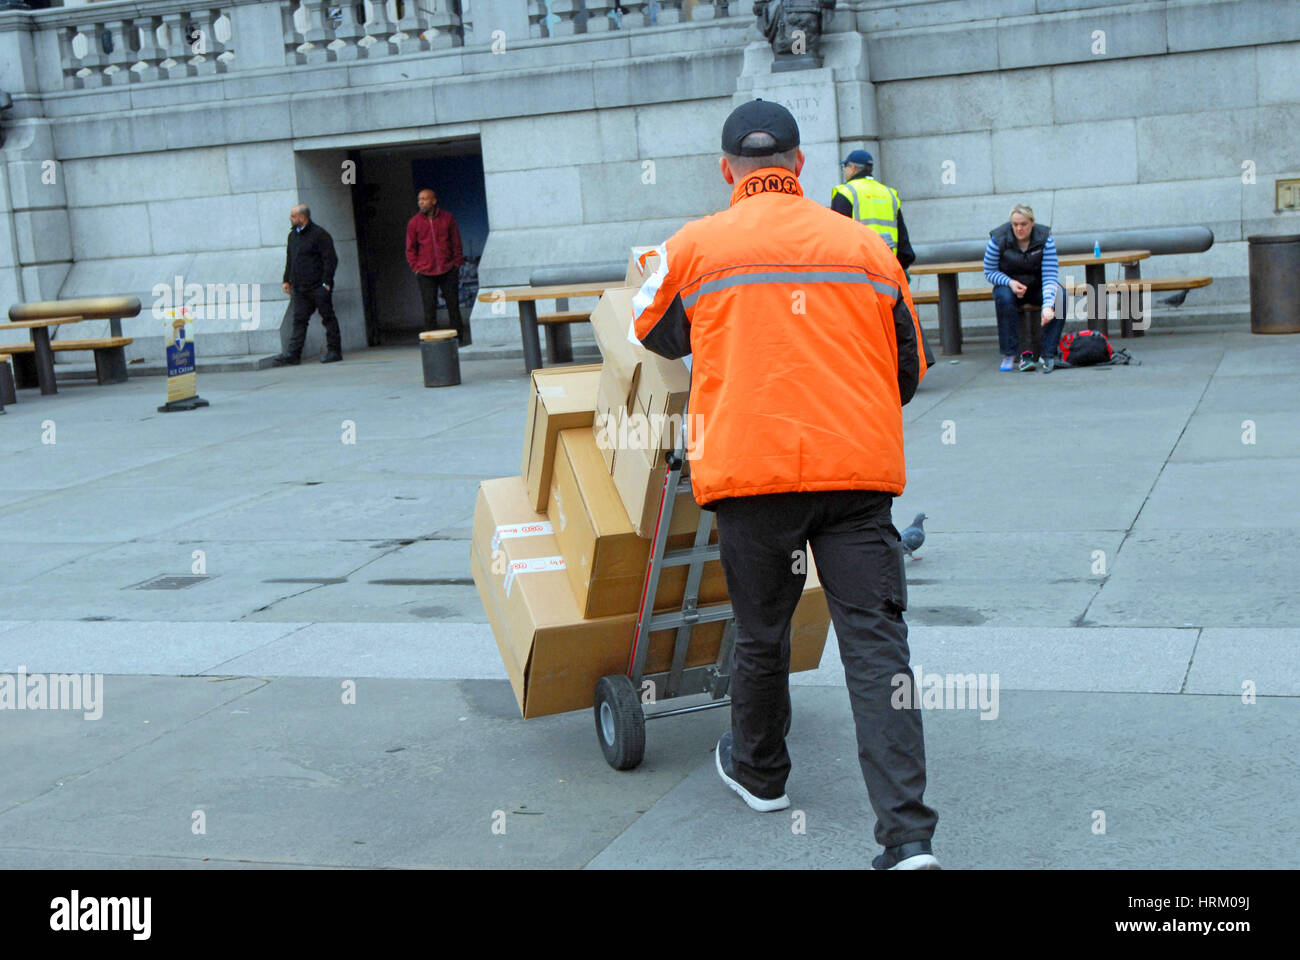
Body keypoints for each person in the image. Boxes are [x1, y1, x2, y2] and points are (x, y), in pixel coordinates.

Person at [633, 99, 940, 871]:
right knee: (877, 648)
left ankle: (761, 771)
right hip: (856, 476)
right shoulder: (866, 249)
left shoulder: (697, 246)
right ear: (802, 166)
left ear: (726, 169)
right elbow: (908, 370)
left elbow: (653, 330)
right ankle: (906, 838)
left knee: (762, 633)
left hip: (752, 476)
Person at [984, 204, 1061, 373]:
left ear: (1032, 223)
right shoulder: (997, 239)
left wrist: (1048, 304)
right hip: (1008, 285)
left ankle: (1048, 353)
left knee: (1059, 296)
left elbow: (1050, 275)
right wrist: (1010, 282)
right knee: (1003, 298)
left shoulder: (1045, 238)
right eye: (1015, 224)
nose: (1019, 228)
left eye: (1023, 224)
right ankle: (1010, 353)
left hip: (1036, 286)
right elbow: (989, 272)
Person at [275, 204, 341, 365]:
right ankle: (293, 354)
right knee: (299, 320)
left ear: (302, 217)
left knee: (328, 318)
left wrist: (327, 283)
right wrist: (286, 280)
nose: (290, 219)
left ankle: (334, 351)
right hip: (300, 287)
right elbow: (290, 259)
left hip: (318, 286)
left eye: (293, 216)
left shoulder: (319, 234)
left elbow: (330, 259)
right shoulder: (293, 236)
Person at [831, 149, 915, 271]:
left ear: (852, 167)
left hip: (859, 272)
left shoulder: (846, 193)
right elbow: (904, 244)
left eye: (845, 167)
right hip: (889, 271)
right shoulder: (889, 194)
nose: (845, 171)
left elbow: (836, 240)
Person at [406, 188, 469, 346]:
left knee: (453, 306)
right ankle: (431, 342)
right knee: (429, 308)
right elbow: (410, 248)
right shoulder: (414, 223)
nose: (421, 202)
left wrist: (457, 264)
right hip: (425, 272)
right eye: (419, 199)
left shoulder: (447, 218)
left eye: (424, 199)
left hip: (448, 269)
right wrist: (416, 267)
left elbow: (456, 242)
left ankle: (459, 338)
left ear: (433, 201)